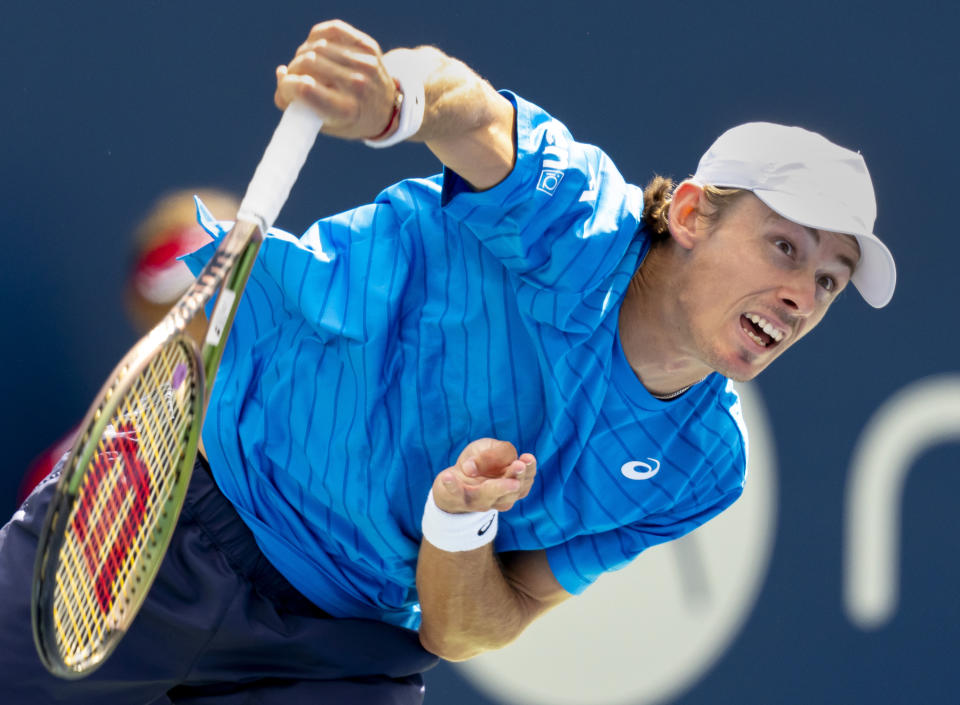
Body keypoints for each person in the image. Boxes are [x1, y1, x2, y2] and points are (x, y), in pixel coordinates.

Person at [1, 18, 896, 705]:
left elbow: (471, 625)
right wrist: (391, 102)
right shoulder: (577, 217)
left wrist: (457, 523)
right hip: (179, 513)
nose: (804, 295)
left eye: (829, 279)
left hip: (341, 649)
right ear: (693, 215)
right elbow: (463, 104)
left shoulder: (702, 466)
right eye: (785, 249)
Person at [15, 189, 239, 506]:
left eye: (224, 292)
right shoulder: (65, 470)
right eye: (184, 302)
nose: (207, 318)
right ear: (139, 308)